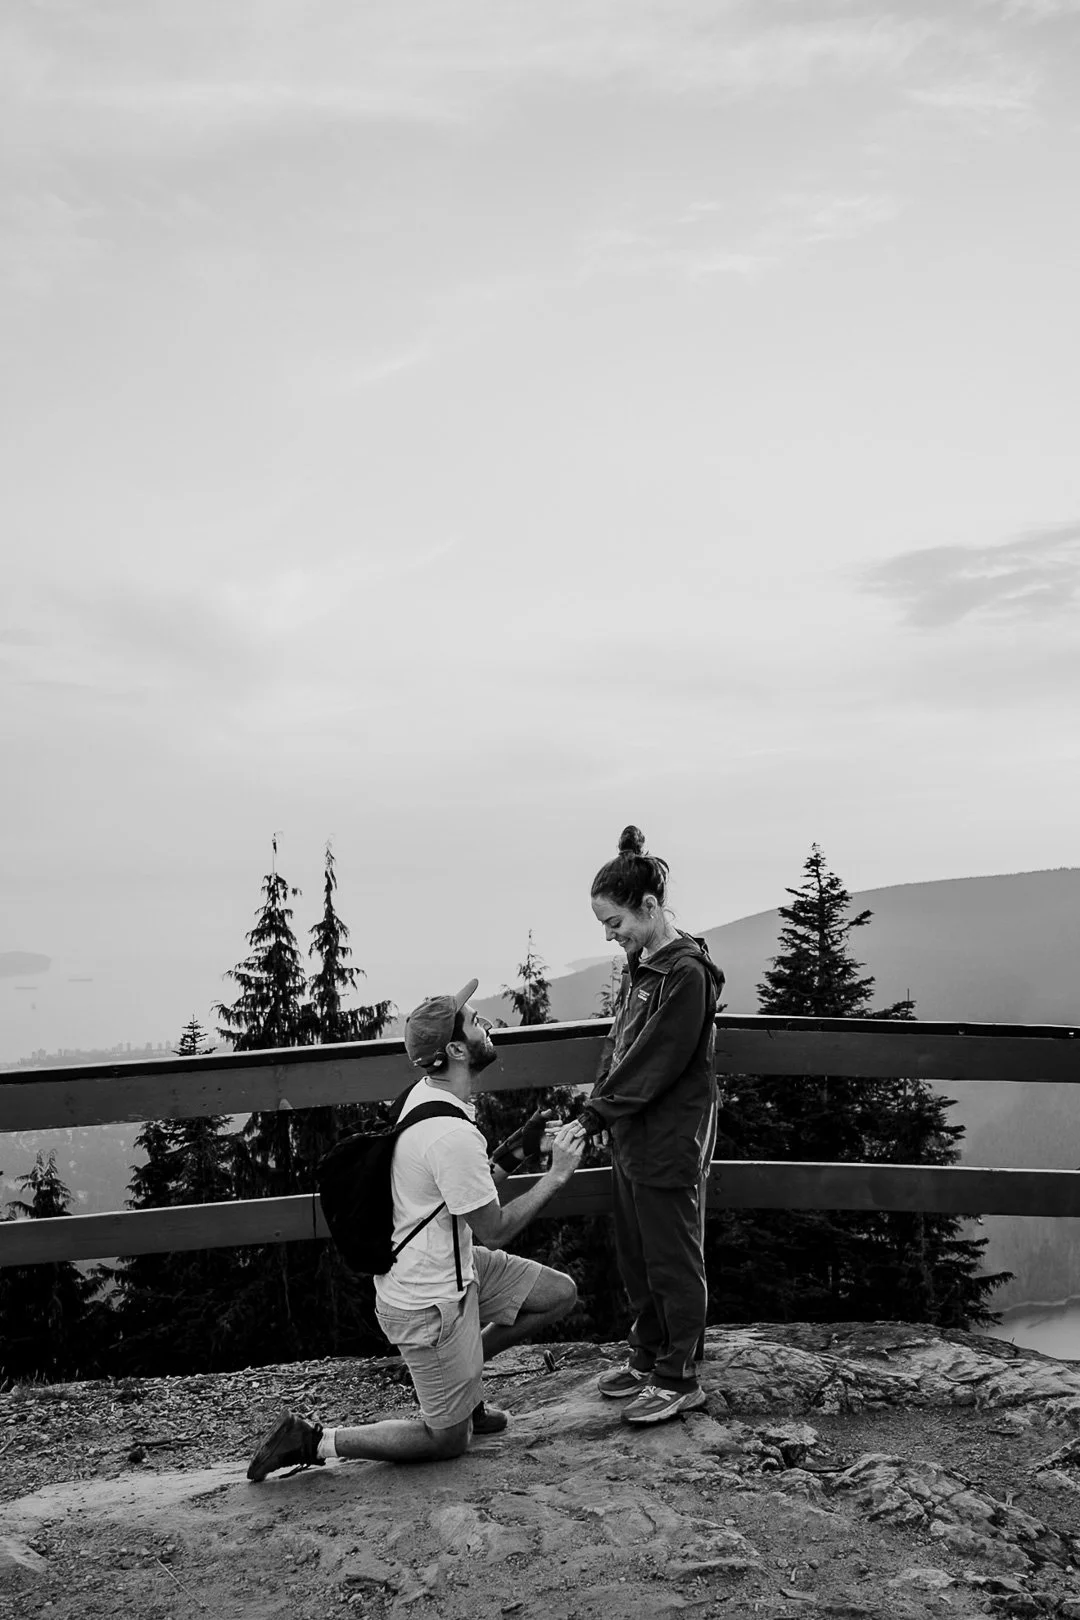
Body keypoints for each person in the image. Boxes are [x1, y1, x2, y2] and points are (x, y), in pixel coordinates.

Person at [247, 978, 585, 1481]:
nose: (486, 1025)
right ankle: (316, 1440)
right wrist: (556, 1175)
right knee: (447, 1441)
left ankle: (463, 1382)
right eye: (474, 1023)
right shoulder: (449, 1133)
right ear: (454, 1049)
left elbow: (460, 1193)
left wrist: (517, 1148)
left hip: (458, 1266)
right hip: (429, 1299)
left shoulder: (428, 1095)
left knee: (558, 1294)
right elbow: (492, 1227)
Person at [579, 826, 725, 1426]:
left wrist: (596, 1110)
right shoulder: (645, 964)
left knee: (671, 1255)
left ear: (649, 907)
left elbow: (656, 1059)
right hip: (631, 1135)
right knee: (636, 1251)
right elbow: (621, 1046)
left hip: (669, 1135)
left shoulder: (686, 974)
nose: (610, 936)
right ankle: (648, 1353)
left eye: (615, 923)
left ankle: (678, 1373)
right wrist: (602, 1110)